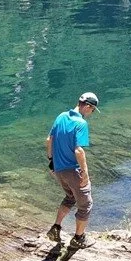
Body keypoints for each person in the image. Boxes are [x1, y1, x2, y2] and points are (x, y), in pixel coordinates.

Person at [46, 92, 99, 248]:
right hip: (73, 170)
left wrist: (52, 163)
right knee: (86, 204)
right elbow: (79, 151)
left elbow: (49, 140)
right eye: (93, 110)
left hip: (60, 170)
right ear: (88, 106)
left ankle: (55, 228)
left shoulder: (61, 116)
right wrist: (85, 172)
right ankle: (78, 238)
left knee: (70, 197)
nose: (92, 113)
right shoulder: (81, 124)